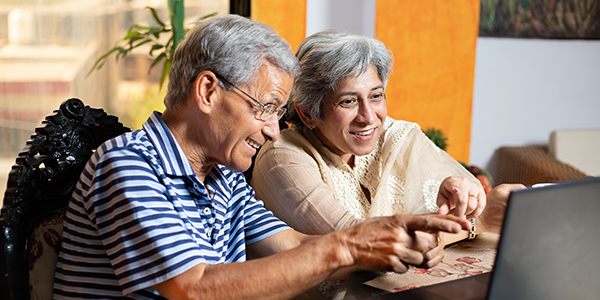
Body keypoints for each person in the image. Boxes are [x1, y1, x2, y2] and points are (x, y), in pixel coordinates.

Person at [52, 15, 471, 300]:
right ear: (208, 91)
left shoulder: (223, 178)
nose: (273, 129)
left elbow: (296, 246)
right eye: (266, 106)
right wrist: (348, 247)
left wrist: (383, 244)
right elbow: (193, 288)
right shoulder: (127, 165)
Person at [250, 30, 525, 297]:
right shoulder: (282, 158)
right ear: (308, 113)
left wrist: (461, 197)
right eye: (348, 101)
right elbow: (365, 248)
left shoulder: (395, 135)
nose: (368, 117)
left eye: (376, 96)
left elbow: (472, 199)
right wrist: (479, 221)